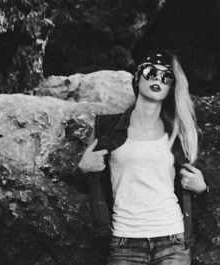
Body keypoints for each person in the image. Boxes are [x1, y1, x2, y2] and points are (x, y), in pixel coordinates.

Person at [75, 50, 208, 264]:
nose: (158, 79)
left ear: (172, 87)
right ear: (137, 77)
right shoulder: (107, 127)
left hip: (172, 240)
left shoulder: (178, 133)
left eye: (166, 77)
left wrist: (202, 187)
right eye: (150, 72)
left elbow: (197, 183)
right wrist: (81, 168)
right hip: (124, 242)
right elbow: (84, 184)